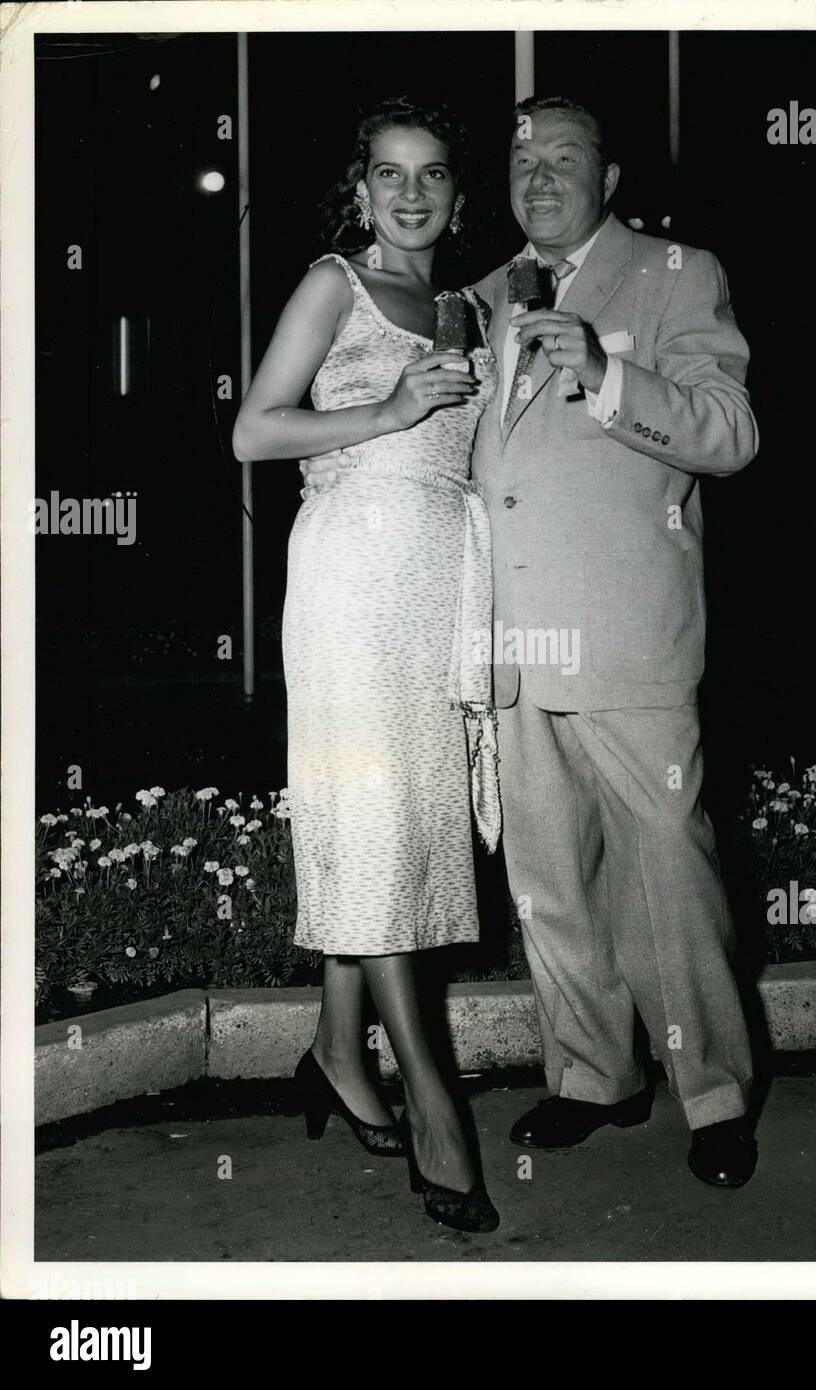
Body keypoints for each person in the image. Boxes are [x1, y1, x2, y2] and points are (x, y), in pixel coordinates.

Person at [469, 95, 762, 1187]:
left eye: (563, 158)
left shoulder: (675, 273)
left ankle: (714, 1093)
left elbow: (729, 433)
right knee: (549, 880)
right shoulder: (483, 292)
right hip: (511, 642)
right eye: (519, 160)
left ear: (611, 177)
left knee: (667, 876)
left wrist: (602, 373)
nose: (537, 176)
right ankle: (592, 1074)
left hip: (627, 636)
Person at [232, 97, 500, 1233]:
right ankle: (435, 1109)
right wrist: (388, 408)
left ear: (454, 191)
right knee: (384, 826)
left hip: (439, 585)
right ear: (358, 190)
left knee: (406, 827)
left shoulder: (468, 308)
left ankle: (336, 1049)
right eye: (387, 174)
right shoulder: (331, 284)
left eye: (431, 174)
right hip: (351, 578)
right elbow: (253, 429)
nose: (410, 193)